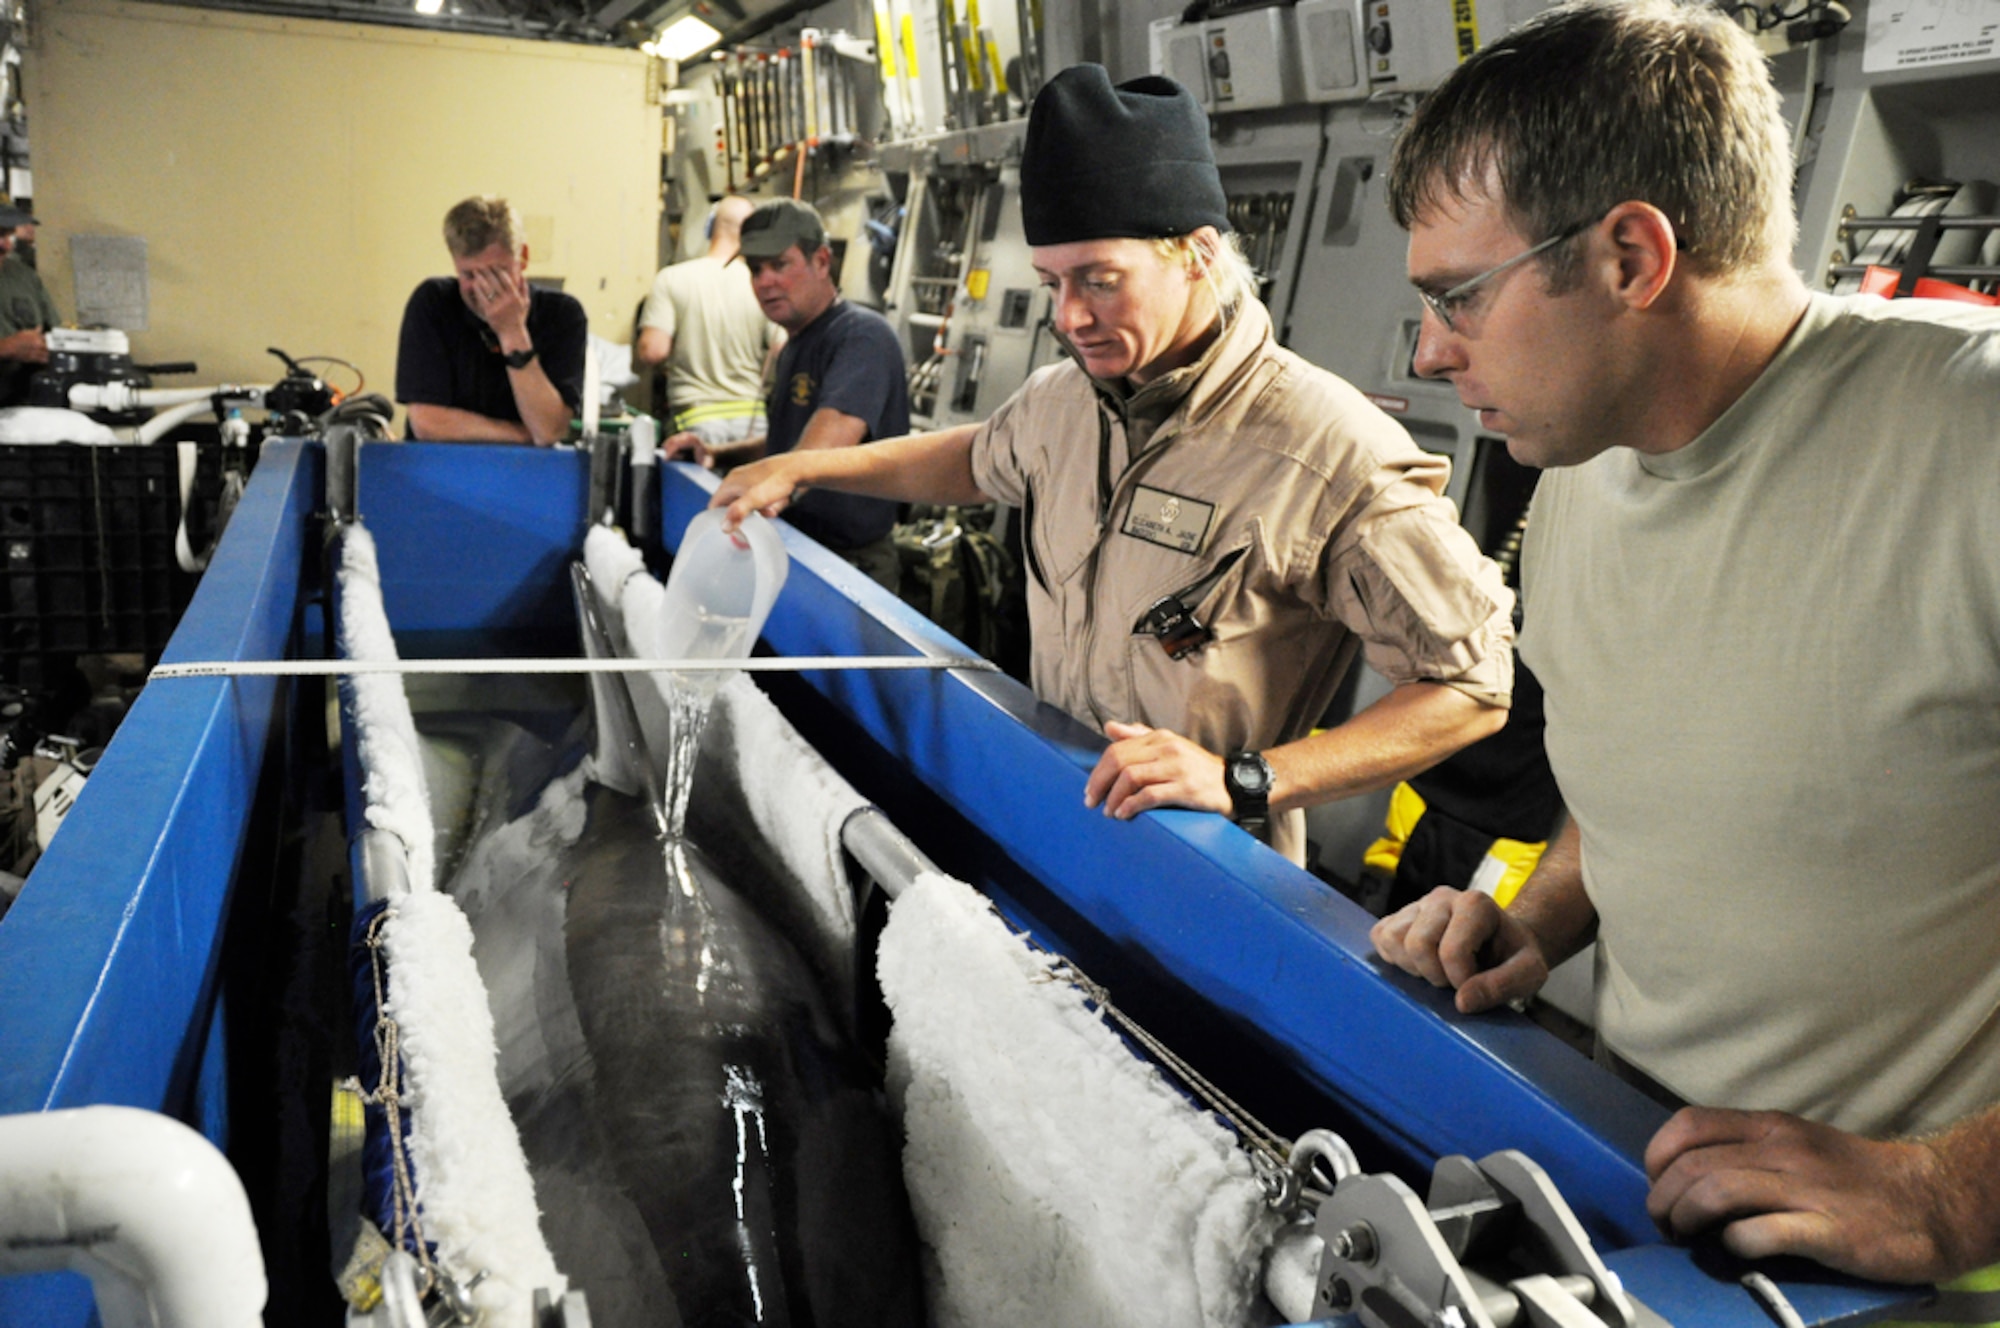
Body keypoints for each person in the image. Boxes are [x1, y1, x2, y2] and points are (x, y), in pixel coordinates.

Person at [1365, 0, 2000, 1293]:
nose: (1431, 351)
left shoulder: (1972, 444)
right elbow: (1653, 773)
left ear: (1631, 258)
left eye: (1460, 299)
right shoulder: (1581, 480)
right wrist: (1535, 917)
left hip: (1908, 1273)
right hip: (1643, 1190)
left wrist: (1951, 1194)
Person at [713, 66, 1515, 867]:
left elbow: (1472, 687)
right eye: (1053, 284)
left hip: (1203, 863)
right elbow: (974, 457)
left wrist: (1243, 778)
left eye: (1101, 281)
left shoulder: (1324, 450)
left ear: (1197, 255)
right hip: (1053, 808)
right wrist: (805, 466)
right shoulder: (1063, 399)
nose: (1069, 318)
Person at [669, 197, 910, 589]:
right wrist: (718, 454)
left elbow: (823, 446)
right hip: (793, 548)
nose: (765, 282)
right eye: (755, 269)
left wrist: (762, 494)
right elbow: (787, 448)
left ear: (821, 261)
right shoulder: (795, 344)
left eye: (780, 265)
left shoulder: (861, 336)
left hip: (851, 567)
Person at [394, 195, 587, 446]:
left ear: (523, 257)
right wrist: (524, 435)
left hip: (526, 476)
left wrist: (512, 331)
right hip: (442, 472)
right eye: (469, 274)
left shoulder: (562, 315)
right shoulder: (433, 303)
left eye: (497, 273)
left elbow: (549, 428)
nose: (483, 288)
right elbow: (427, 423)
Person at [639, 196, 781, 449]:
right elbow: (781, 347)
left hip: (695, 420)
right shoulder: (764, 285)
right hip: (754, 424)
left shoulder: (671, 279)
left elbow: (653, 350)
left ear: (709, 227)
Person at [0, 203, 58, 408]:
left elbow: (54, 331)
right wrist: (5, 348)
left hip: (22, 403)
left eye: (8, 234)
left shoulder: (23, 275)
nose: (6, 245)